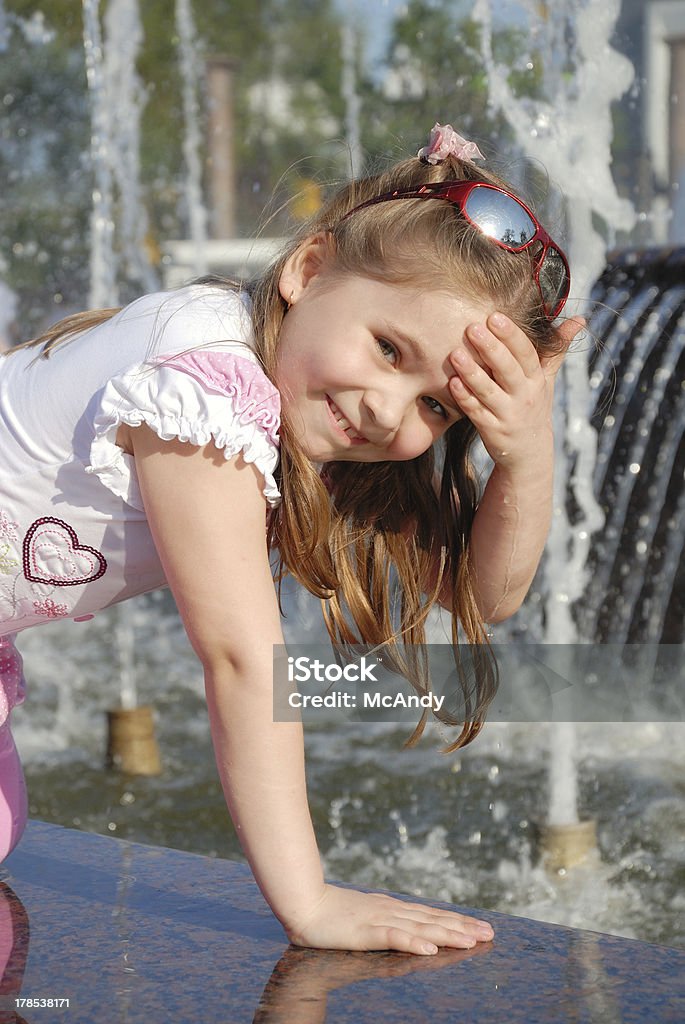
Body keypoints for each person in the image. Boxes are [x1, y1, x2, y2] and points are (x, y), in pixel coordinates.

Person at [0, 123, 582, 954]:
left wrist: (524, 457)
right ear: (308, 270)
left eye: (436, 407)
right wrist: (309, 904)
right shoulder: (205, 385)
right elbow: (241, 661)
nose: (388, 407)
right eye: (388, 349)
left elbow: (487, 597)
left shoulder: (309, 401)